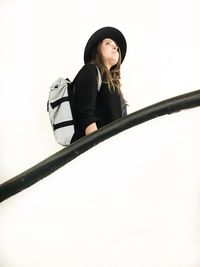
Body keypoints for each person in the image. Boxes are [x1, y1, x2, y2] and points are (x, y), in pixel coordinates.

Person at [71, 26, 127, 143]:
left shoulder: (113, 86)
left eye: (116, 46)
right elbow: (87, 117)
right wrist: (97, 148)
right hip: (99, 150)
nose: (115, 47)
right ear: (97, 50)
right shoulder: (90, 70)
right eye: (108, 43)